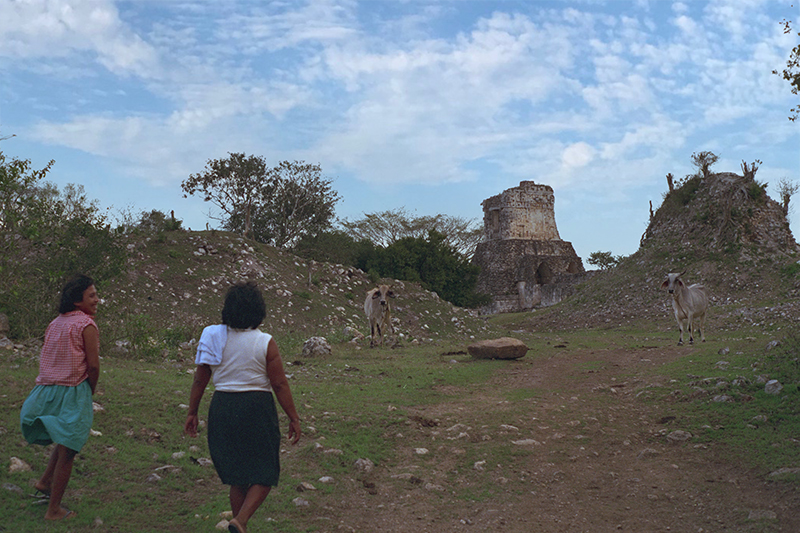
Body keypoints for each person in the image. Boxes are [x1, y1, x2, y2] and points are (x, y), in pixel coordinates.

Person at [184, 281, 301, 533]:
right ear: (259, 311)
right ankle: (241, 520)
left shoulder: (214, 339)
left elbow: (200, 380)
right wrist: (293, 417)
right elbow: (279, 384)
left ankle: (239, 525)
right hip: (256, 408)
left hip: (223, 407)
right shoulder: (265, 342)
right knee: (265, 473)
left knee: (237, 478)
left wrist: (192, 411)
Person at [20, 274, 101, 521]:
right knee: (69, 449)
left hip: (46, 390)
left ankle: (45, 481)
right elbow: (93, 365)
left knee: (64, 440)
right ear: (78, 301)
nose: (97, 300)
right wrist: (90, 389)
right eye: (92, 295)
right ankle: (54, 509)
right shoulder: (86, 325)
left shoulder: (55, 323)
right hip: (72, 390)